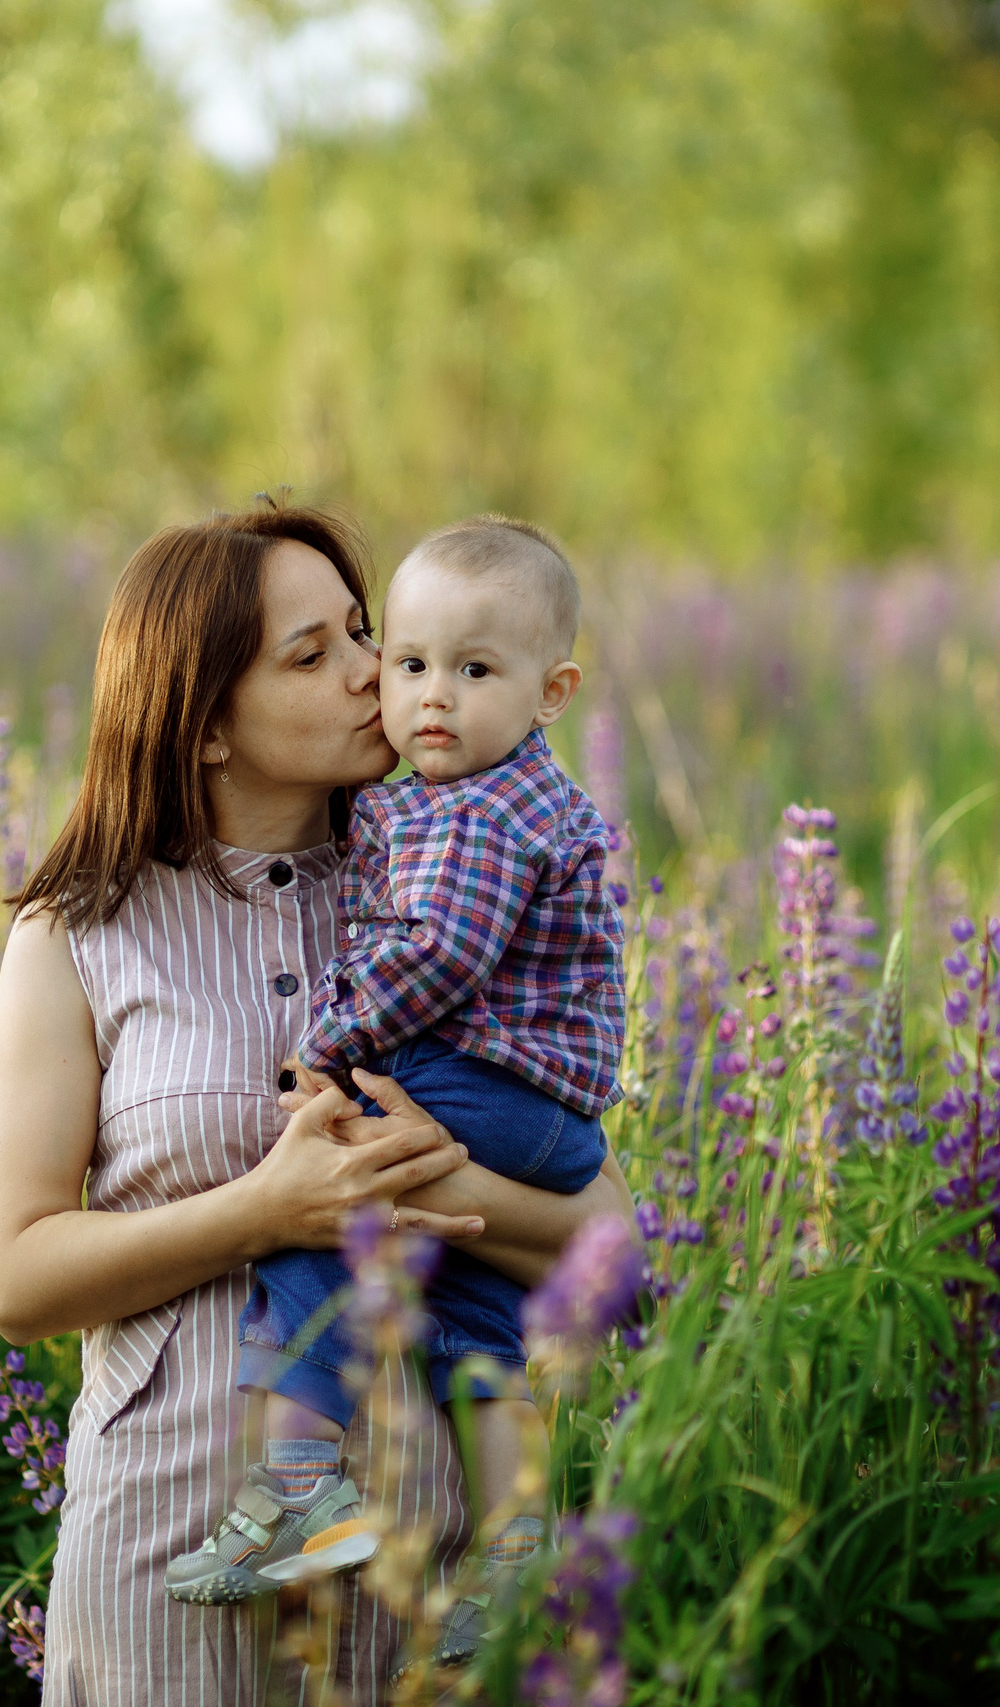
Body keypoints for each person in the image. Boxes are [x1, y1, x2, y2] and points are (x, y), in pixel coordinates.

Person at [0, 501, 636, 1705]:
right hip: (169, 1568)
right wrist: (266, 1210)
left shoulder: (448, 885)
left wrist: (425, 1175)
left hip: (430, 1587)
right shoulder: (76, 933)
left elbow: (611, 1242)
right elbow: (17, 1282)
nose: (373, 672)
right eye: (311, 655)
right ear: (204, 725)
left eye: (362, 632)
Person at [162, 517, 622, 1670]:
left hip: (477, 1083)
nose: (407, 688)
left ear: (552, 691)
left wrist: (329, 1048)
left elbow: (438, 955)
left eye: (470, 670)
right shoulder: (492, 797)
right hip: (538, 1108)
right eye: (407, 659)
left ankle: (299, 1483)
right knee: (478, 1329)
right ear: (205, 723)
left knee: (318, 1217)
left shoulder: (476, 811)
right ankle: (516, 1554)